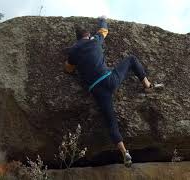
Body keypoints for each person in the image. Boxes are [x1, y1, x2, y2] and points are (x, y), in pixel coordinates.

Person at [64, 15, 154, 167]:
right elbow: (104, 30)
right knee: (131, 59)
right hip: (110, 79)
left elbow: (68, 69)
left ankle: (124, 152)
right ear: (88, 35)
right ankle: (147, 85)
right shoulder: (95, 40)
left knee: (111, 122)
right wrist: (102, 18)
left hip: (97, 90)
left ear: (77, 38)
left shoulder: (73, 50)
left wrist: (72, 61)